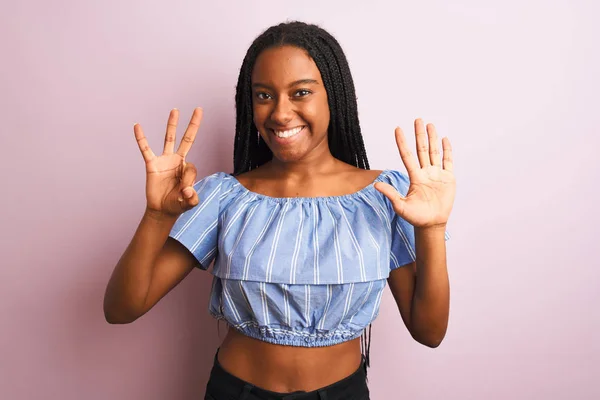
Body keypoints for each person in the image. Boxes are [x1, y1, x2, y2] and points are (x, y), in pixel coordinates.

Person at [103, 21, 456, 400]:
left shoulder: (384, 196)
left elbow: (429, 332)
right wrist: (157, 216)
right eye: (264, 95)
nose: (281, 114)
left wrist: (432, 228)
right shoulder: (226, 197)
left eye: (300, 92)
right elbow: (122, 308)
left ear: (333, 96)